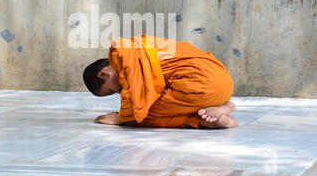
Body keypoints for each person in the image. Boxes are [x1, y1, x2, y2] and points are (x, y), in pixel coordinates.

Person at [83, 34, 238, 129]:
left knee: (142, 114)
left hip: (199, 85)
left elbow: (137, 104)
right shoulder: (139, 45)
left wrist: (120, 118)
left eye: (111, 91)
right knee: (149, 103)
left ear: (103, 74)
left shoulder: (125, 57)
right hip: (224, 80)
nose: (118, 93)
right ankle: (223, 107)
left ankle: (201, 121)